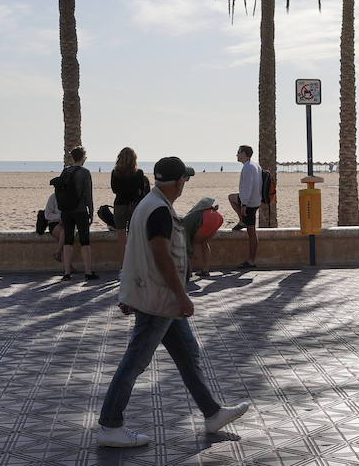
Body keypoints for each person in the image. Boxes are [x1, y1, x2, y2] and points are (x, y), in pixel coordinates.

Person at [96, 156, 249, 447]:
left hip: (156, 298)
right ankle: (109, 424)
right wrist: (182, 295)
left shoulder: (149, 205)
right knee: (135, 361)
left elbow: (132, 251)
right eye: (184, 181)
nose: (184, 185)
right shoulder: (158, 211)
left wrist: (127, 292)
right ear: (178, 182)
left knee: (188, 354)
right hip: (160, 299)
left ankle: (212, 413)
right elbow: (160, 255)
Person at [54, 146, 98, 280]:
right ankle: (88, 272)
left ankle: (67, 272)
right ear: (83, 158)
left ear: (73, 157)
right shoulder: (85, 173)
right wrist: (91, 211)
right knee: (85, 241)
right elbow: (88, 195)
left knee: (68, 240)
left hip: (66, 211)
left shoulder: (65, 171)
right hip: (80, 211)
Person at [226, 145, 259, 268]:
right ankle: (242, 221)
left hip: (249, 202)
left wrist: (244, 204)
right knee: (231, 197)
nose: (237, 155)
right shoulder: (255, 165)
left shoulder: (248, 167)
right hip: (254, 200)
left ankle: (251, 260)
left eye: (238, 152)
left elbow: (248, 186)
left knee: (251, 233)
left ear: (244, 154)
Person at [111, 147, 150, 247]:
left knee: (121, 237)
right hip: (134, 205)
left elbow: (114, 190)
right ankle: (133, 260)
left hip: (120, 205)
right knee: (134, 234)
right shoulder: (139, 173)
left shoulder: (115, 173)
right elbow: (141, 191)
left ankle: (123, 262)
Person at [181, 197, 224, 278]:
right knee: (204, 243)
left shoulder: (184, 223)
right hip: (218, 218)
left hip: (208, 219)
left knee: (196, 243)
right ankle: (205, 269)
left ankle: (190, 270)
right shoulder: (201, 212)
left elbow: (189, 246)